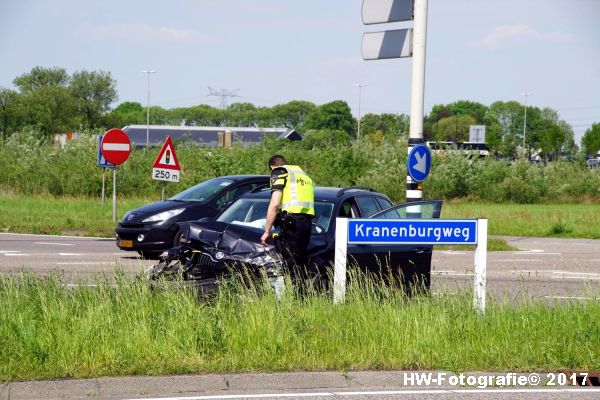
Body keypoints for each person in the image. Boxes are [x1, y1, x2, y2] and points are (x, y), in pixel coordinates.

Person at [260, 155, 315, 282]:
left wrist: (267, 231)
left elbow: (274, 204)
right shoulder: (303, 175)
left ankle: (294, 299)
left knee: (291, 264)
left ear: (272, 166)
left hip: (292, 223)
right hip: (306, 223)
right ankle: (302, 297)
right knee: (300, 263)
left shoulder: (279, 172)